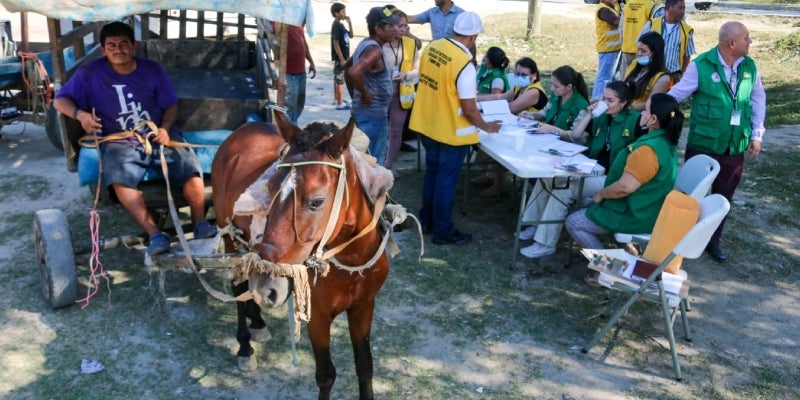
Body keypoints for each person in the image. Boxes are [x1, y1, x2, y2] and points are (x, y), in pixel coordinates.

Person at [53, 21, 217, 255]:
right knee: (119, 178)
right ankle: (155, 234)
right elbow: (60, 100)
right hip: (118, 141)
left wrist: (165, 129)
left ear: (134, 46)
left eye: (123, 44)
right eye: (111, 45)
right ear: (103, 49)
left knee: (189, 165)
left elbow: (170, 106)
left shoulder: (153, 70)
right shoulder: (89, 74)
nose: (118, 50)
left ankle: (201, 223)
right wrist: (80, 115)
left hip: (157, 135)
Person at [667, 21, 766, 263]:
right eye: (746, 38)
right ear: (732, 43)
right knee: (693, 195)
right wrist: (655, 109)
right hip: (704, 144)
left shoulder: (750, 67)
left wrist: (756, 135)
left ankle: (712, 241)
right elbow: (678, 94)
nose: (750, 41)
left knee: (724, 198)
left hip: (734, 145)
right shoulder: (701, 65)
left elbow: (758, 98)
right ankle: (679, 240)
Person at [565, 92, 682, 286]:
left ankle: (610, 270)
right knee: (585, 205)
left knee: (573, 222)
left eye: (645, 110)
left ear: (653, 119)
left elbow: (625, 187)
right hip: (645, 207)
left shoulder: (648, 150)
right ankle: (628, 252)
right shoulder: (664, 141)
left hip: (635, 213)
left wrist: (601, 194)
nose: (641, 113)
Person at [518, 80, 641, 258]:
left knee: (563, 189)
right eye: (603, 98)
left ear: (623, 103)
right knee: (548, 178)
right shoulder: (602, 116)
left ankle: (545, 242)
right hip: (591, 166)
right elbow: (576, 135)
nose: (605, 103)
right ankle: (534, 223)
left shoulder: (634, 121)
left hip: (612, 176)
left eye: (610, 100)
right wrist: (590, 114)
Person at [409, 11, 501, 245]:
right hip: (451, 134)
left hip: (427, 125)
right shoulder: (465, 65)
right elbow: (470, 109)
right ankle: (443, 231)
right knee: (445, 183)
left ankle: (427, 221)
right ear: (474, 37)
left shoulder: (434, 46)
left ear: (454, 30)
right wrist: (486, 126)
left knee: (432, 176)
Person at [473, 57, 548, 197]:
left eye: (523, 75)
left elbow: (512, 107)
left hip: (531, 134)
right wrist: (474, 98)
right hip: (517, 128)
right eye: (517, 74)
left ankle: (498, 184)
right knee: (490, 136)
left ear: (534, 76)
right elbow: (500, 97)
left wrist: (484, 106)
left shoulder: (534, 91)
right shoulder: (519, 87)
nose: (519, 77)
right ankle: (489, 176)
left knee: (497, 141)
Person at [344, 6, 398, 165]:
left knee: (360, 161)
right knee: (372, 163)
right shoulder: (374, 50)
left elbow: (347, 67)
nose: (394, 29)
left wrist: (354, 94)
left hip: (365, 114)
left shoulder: (366, 43)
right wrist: (364, 94)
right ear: (378, 29)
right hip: (373, 117)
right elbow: (354, 72)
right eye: (389, 26)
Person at [383, 7, 420, 176]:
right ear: (389, 26)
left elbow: (418, 70)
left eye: (405, 26)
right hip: (381, 95)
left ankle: (388, 167)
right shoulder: (379, 42)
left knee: (396, 131)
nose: (403, 29)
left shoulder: (411, 44)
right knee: (379, 130)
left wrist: (407, 74)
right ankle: (373, 166)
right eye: (400, 26)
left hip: (402, 94)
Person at [522, 65, 591, 135]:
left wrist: (555, 130)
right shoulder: (556, 96)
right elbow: (544, 113)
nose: (552, 88)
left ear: (569, 87)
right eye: (552, 84)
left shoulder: (580, 106)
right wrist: (531, 115)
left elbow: (576, 135)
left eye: (556, 86)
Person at [639, 0, 694, 84]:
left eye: (684, 8)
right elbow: (640, 48)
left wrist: (682, 76)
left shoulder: (687, 30)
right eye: (680, 8)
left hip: (673, 76)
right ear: (668, 8)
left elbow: (687, 56)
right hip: (651, 74)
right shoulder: (651, 24)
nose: (683, 11)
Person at [622, 31, 670, 111]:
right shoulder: (634, 64)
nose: (639, 54)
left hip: (641, 116)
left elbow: (651, 103)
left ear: (655, 53)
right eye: (638, 49)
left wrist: (625, 109)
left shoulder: (663, 77)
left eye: (643, 51)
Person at [280, 24, 316, 124]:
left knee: (300, 102)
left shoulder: (298, 26)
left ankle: (293, 123)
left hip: (301, 71)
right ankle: (289, 127)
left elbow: (304, 44)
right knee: (290, 103)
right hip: (288, 73)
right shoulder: (281, 24)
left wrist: (311, 62)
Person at [618, 0, 663, 77]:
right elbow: (655, 27)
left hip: (626, 49)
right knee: (641, 78)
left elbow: (621, 28)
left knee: (625, 78)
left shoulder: (627, 5)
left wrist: (622, 44)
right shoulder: (651, 6)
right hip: (643, 50)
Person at [592, 0, 621, 101]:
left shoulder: (615, 6)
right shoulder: (603, 10)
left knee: (612, 77)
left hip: (615, 49)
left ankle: (606, 100)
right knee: (604, 78)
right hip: (607, 50)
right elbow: (616, 21)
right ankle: (596, 100)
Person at [331, 2, 354, 110]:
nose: (345, 14)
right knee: (340, 78)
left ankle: (337, 98)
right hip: (341, 57)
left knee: (337, 77)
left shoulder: (341, 25)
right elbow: (335, 43)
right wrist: (342, 59)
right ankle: (340, 103)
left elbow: (351, 35)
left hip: (344, 56)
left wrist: (350, 23)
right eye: (343, 12)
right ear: (336, 13)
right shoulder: (336, 26)